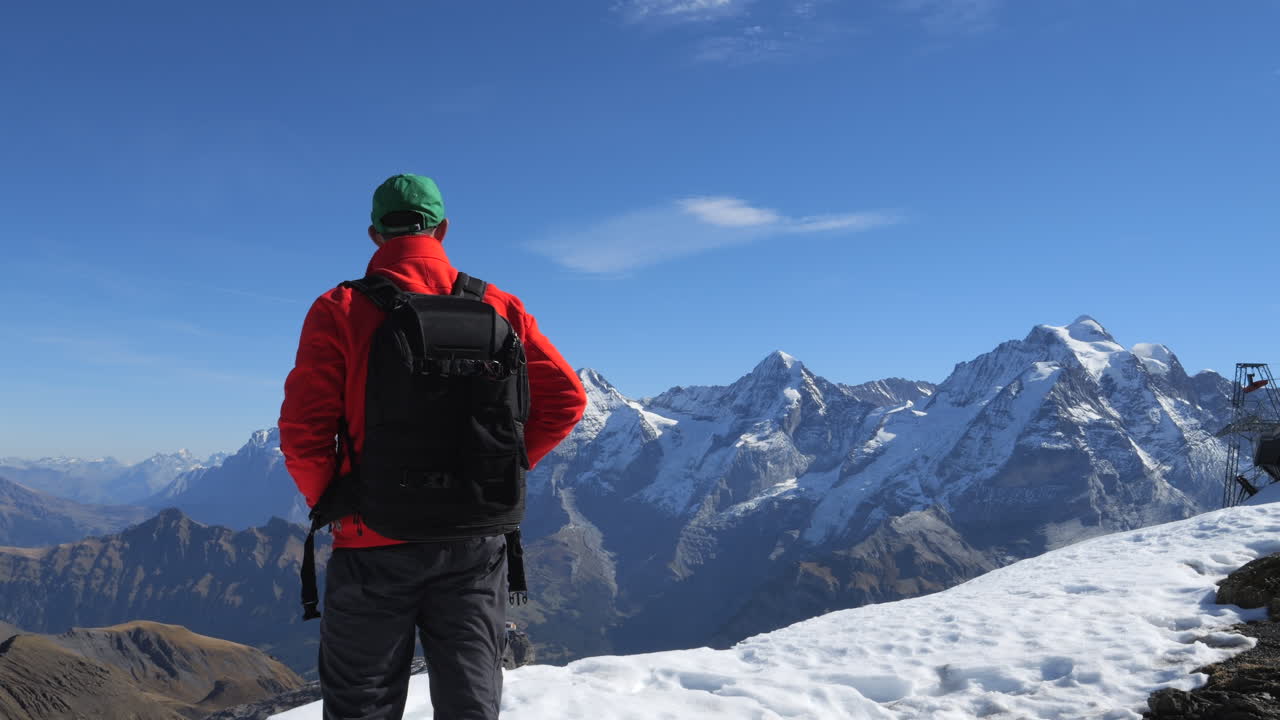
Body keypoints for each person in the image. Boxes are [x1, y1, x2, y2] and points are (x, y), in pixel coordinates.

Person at [280, 173, 587, 719]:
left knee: (361, 706)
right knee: (470, 701)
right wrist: (504, 468)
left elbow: (303, 433)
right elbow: (567, 398)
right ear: (443, 229)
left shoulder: (341, 308)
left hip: (371, 539)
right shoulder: (497, 305)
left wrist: (340, 500)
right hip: (474, 540)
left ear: (375, 234)